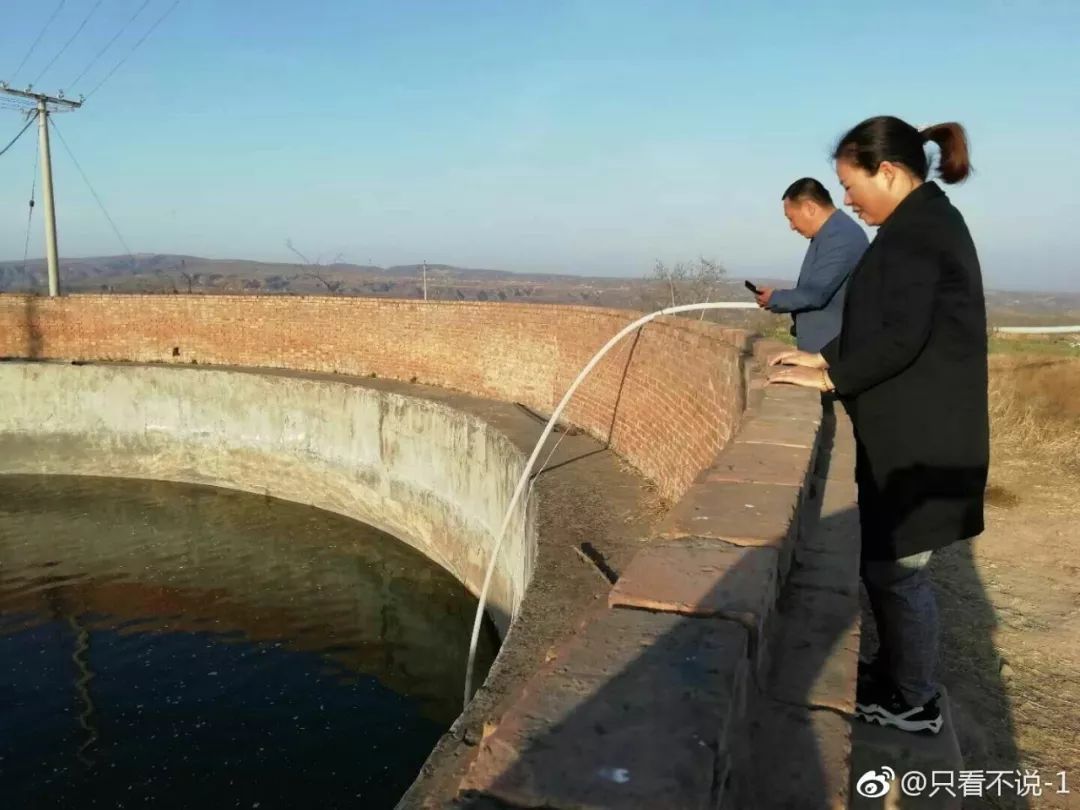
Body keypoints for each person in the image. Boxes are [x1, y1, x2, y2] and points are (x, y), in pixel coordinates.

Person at [768, 116, 989, 735]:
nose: (847, 199)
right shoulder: (916, 224)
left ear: (887, 172)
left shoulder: (920, 233)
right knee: (887, 566)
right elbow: (883, 324)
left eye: (849, 184)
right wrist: (825, 358)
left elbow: (901, 336)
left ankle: (915, 700)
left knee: (900, 572)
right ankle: (894, 673)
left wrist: (832, 377)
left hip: (925, 438)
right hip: (911, 432)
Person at [756, 178, 868, 353]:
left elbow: (816, 293)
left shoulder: (840, 237)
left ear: (810, 207)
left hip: (833, 350)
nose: (792, 227)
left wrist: (775, 298)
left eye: (791, 218)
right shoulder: (828, 235)